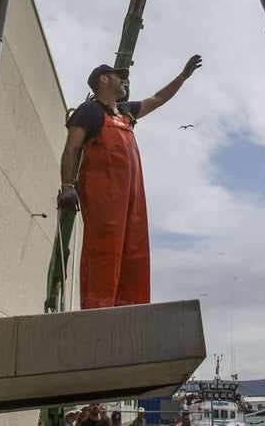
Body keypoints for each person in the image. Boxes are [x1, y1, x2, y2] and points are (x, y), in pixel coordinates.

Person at [58, 55, 202, 309]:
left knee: (134, 252)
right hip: (104, 194)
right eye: (118, 75)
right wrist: (67, 186)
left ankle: (129, 310)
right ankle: (98, 311)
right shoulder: (88, 111)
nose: (124, 80)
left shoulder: (125, 112)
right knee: (104, 251)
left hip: (132, 195)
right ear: (103, 79)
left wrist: (182, 77)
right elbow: (71, 149)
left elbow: (157, 99)